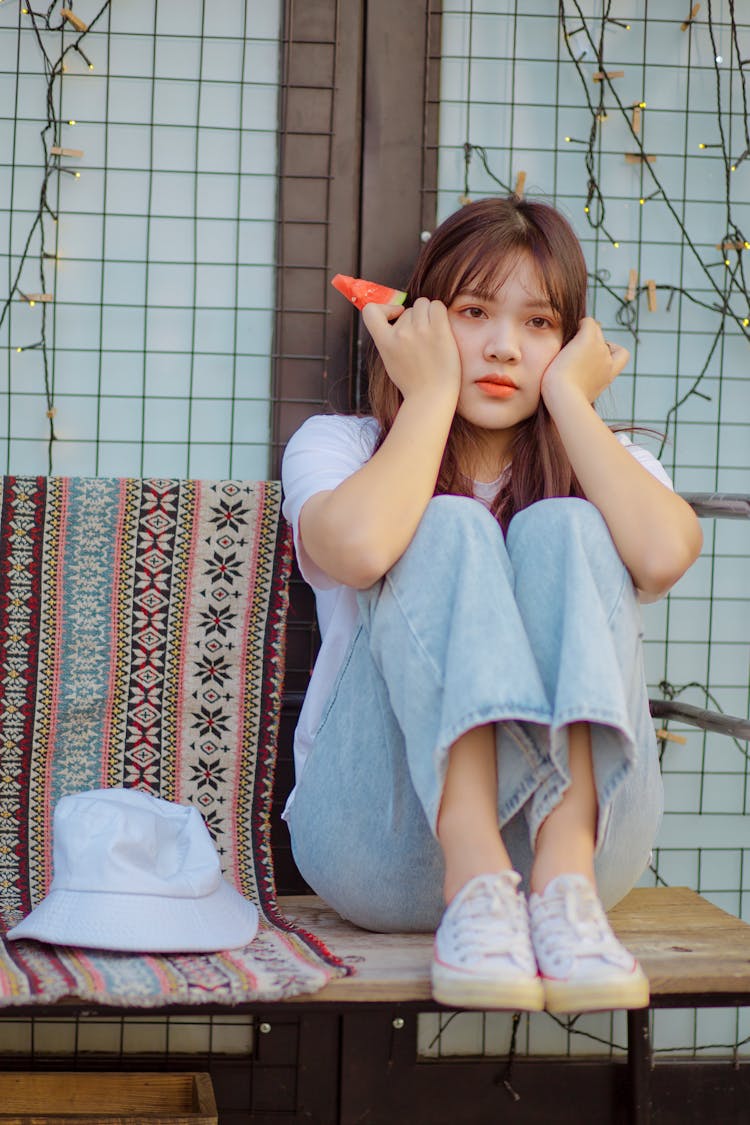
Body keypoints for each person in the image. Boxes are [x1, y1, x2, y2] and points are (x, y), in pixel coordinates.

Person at [281, 196, 702, 1013]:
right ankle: (473, 878)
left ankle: (560, 881)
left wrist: (574, 406)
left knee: (569, 526)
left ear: (572, 343)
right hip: (384, 842)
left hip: (582, 866)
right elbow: (360, 549)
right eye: (474, 312)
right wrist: (431, 395)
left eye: (540, 323)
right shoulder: (342, 449)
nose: (505, 346)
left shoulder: (610, 464)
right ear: (425, 318)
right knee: (442, 523)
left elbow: (661, 555)